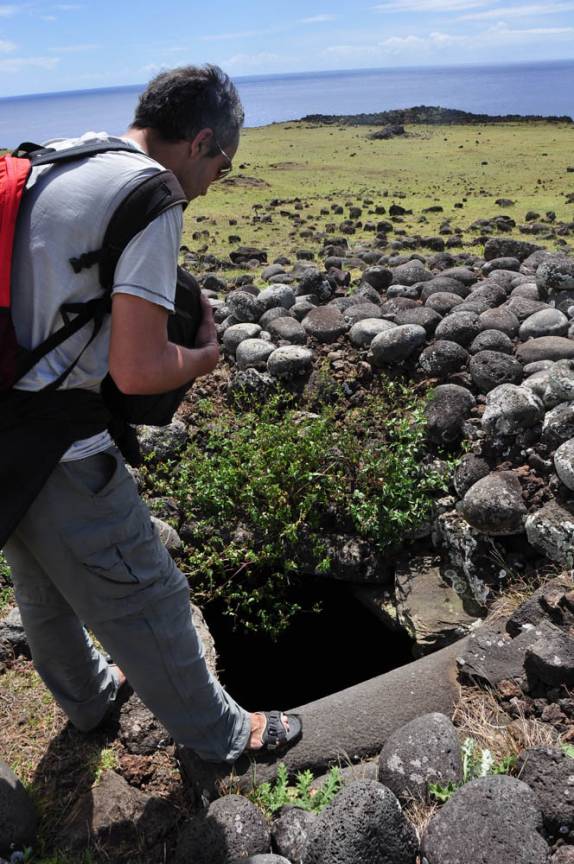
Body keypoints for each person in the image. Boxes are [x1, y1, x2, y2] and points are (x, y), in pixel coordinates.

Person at [3, 64, 300, 763]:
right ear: (200, 143)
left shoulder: (58, 158)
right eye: (221, 169)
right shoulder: (152, 194)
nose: (211, 186)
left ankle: (88, 702)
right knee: (151, 594)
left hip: (5, 427)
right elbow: (135, 371)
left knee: (42, 584)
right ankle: (226, 738)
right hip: (61, 442)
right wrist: (202, 358)